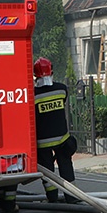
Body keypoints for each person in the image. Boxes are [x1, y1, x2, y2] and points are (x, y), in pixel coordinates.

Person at [33, 57, 78, 204]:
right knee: (65, 165)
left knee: (47, 170)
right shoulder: (61, 89)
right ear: (51, 72)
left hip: (42, 142)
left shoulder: (32, 95)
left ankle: (52, 198)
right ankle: (71, 197)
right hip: (62, 139)